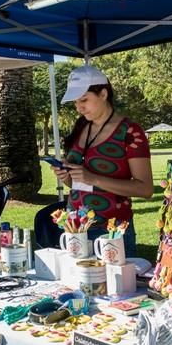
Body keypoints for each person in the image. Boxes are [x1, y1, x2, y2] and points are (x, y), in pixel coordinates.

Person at [50, 65, 153, 257]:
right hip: (75, 227)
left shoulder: (130, 132)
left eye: (84, 100)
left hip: (111, 231)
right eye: (75, 102)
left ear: (103, 94)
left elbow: (145, 189)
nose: (79, 107)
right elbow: (76, 184)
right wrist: (65, 176)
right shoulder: (82, 127)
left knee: (115, 287)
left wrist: (93, 178)